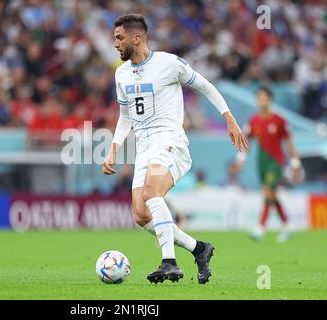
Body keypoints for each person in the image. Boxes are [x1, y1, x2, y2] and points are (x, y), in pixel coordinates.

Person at [102, 14, 248, 284]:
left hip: (169, 139)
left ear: (137, 38)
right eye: (114, 38)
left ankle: (169, 262)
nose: (115, 44)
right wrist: (114, 148)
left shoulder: (168, 64)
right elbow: (125, 114)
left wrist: (229, 118)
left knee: (151, 192)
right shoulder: (120, 73)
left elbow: (205, 85)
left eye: (119, 38)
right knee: (140, 214)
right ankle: (199, 248)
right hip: (143, 146)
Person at [232, 86, 302, 243]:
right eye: (259, 98)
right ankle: (287, 224)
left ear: (270, 100)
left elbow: (289, 142)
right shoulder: (254, 121)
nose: (261, 101)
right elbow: (245, 141)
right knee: (272, 195)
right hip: (261, 163)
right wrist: (240, 160)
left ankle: (260, 227)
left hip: (276, 162)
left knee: (267, 191)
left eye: (264, 97)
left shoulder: (279, 120)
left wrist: (295, 163)